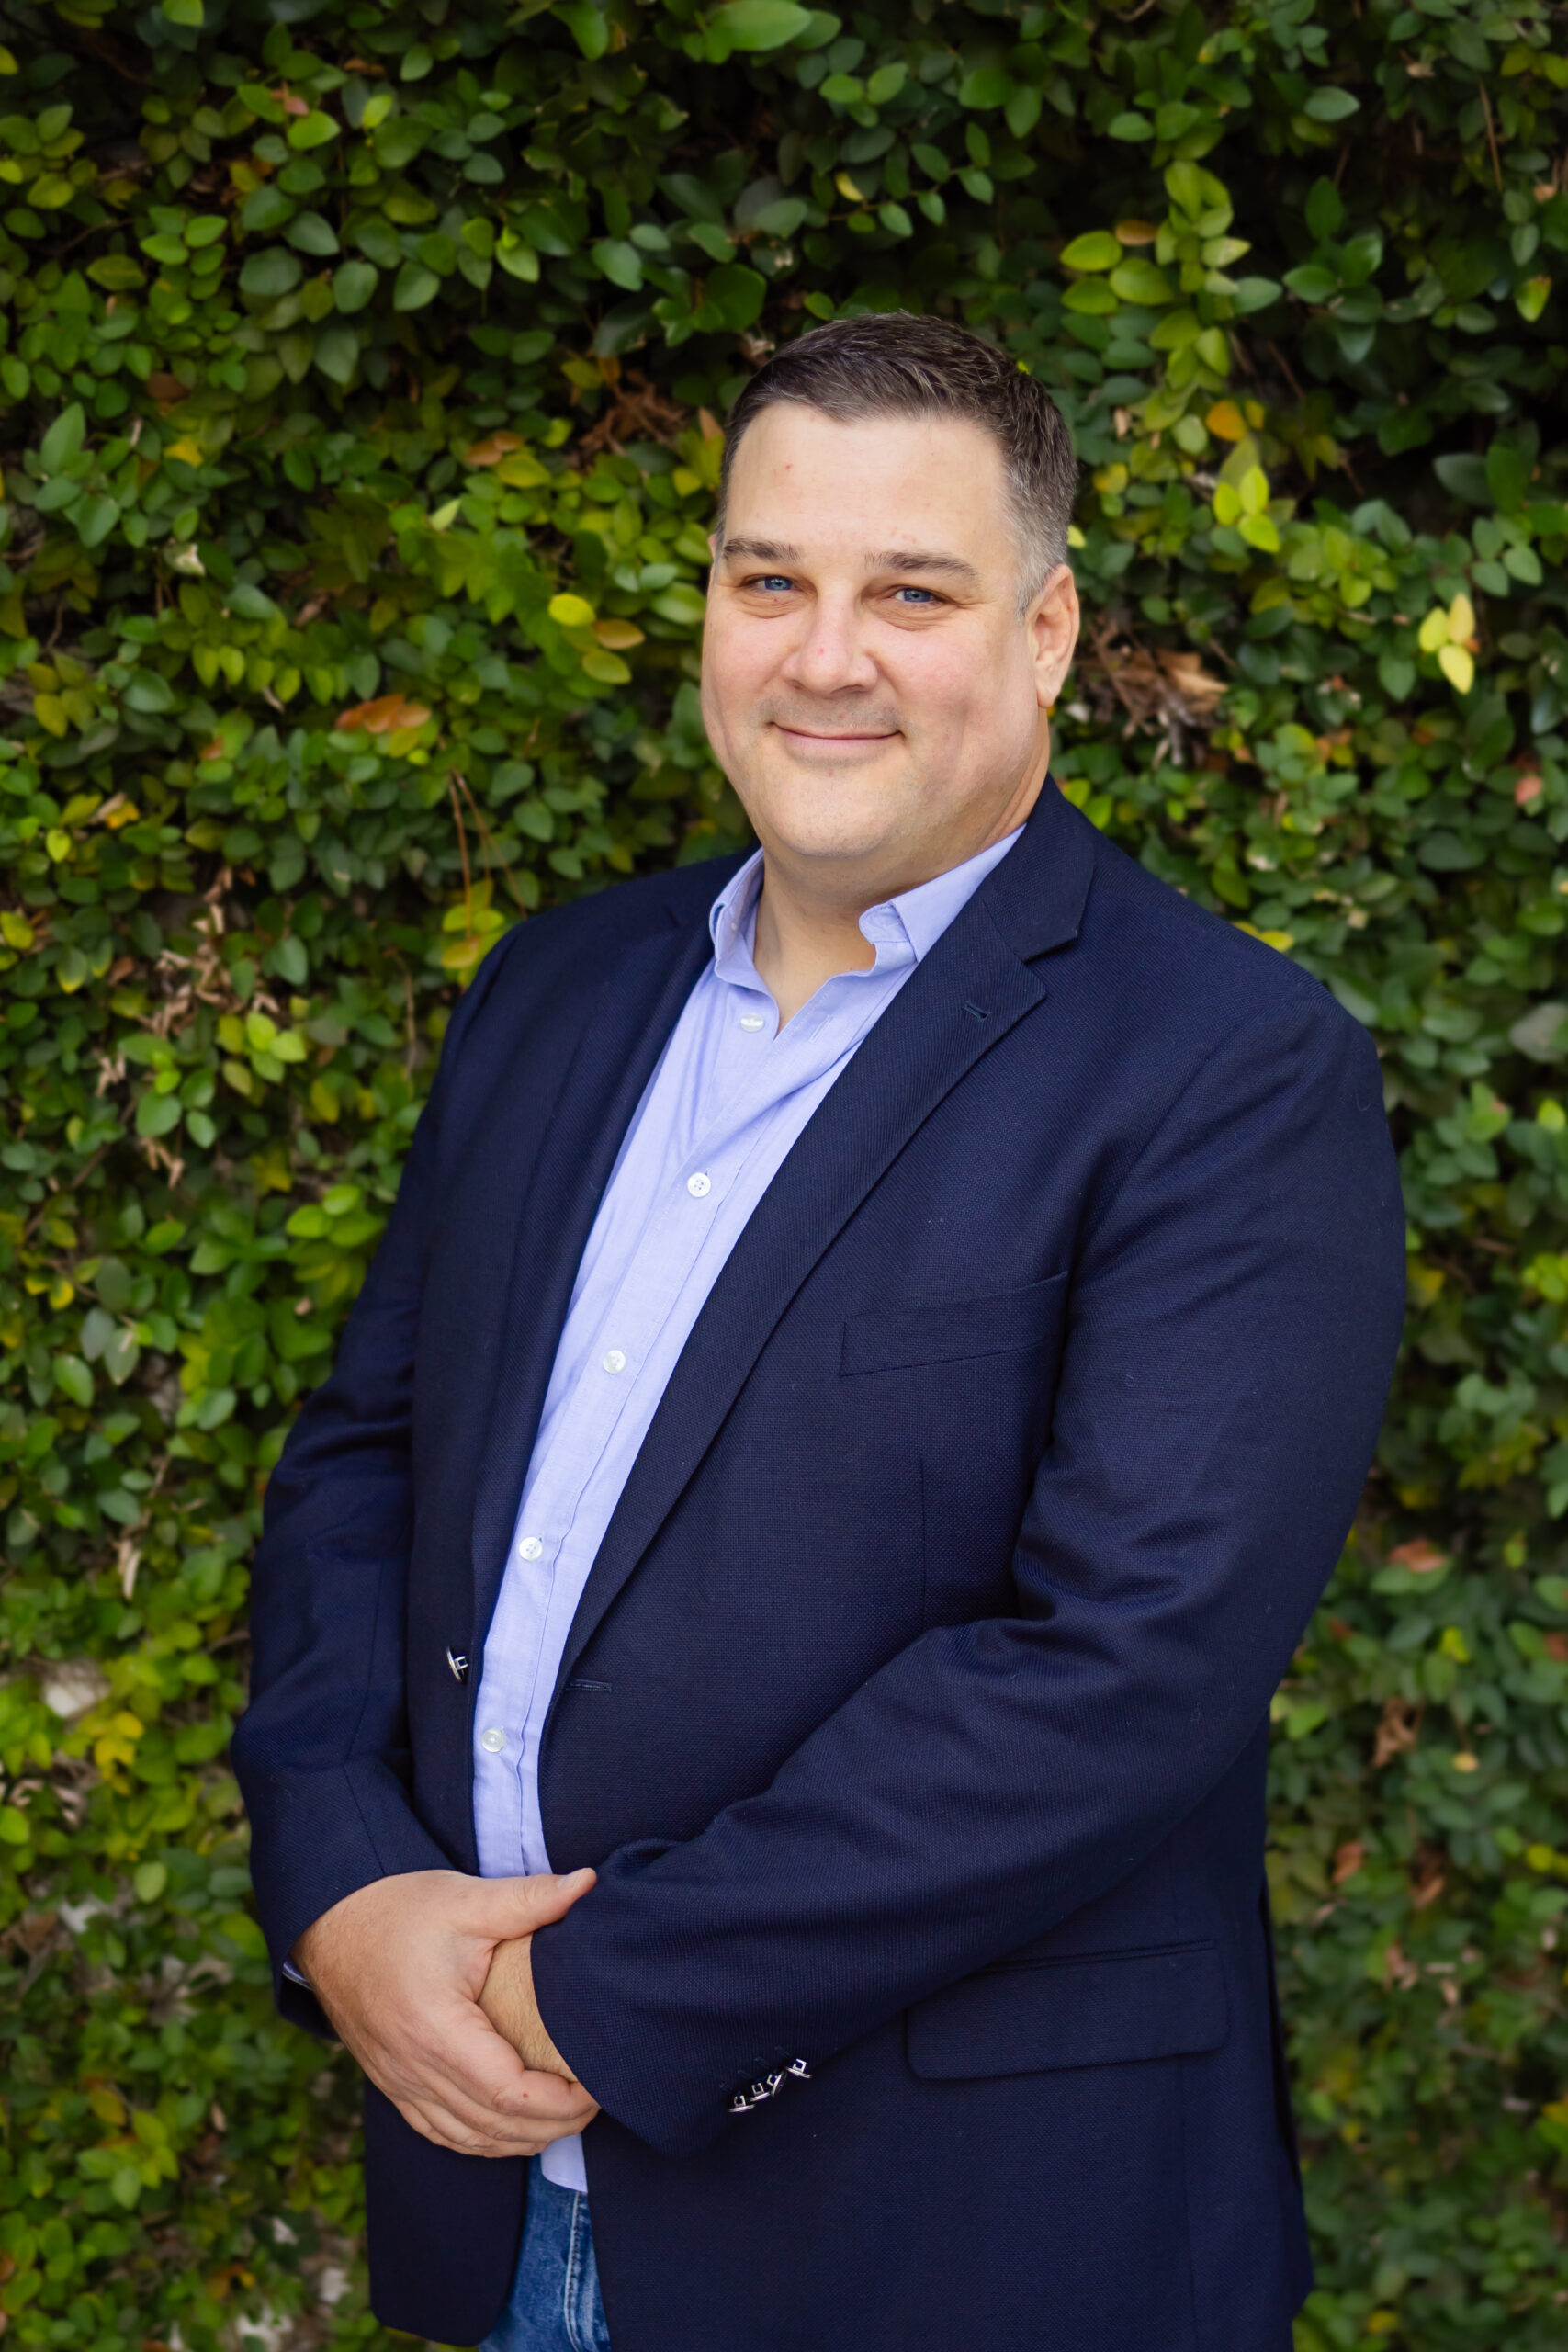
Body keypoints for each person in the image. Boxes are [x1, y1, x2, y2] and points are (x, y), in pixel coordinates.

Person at [233, 312, 1405, 2352]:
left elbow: (1115, 1671)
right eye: (766, 577)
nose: (822, 652)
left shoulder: (1224, 1066)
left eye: (910, 592)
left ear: (1044, 635)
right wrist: (342, 1885)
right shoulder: (558, 988)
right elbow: (364, 1455)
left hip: (951, 2247)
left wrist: (568, 1995)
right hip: (499, 2207)